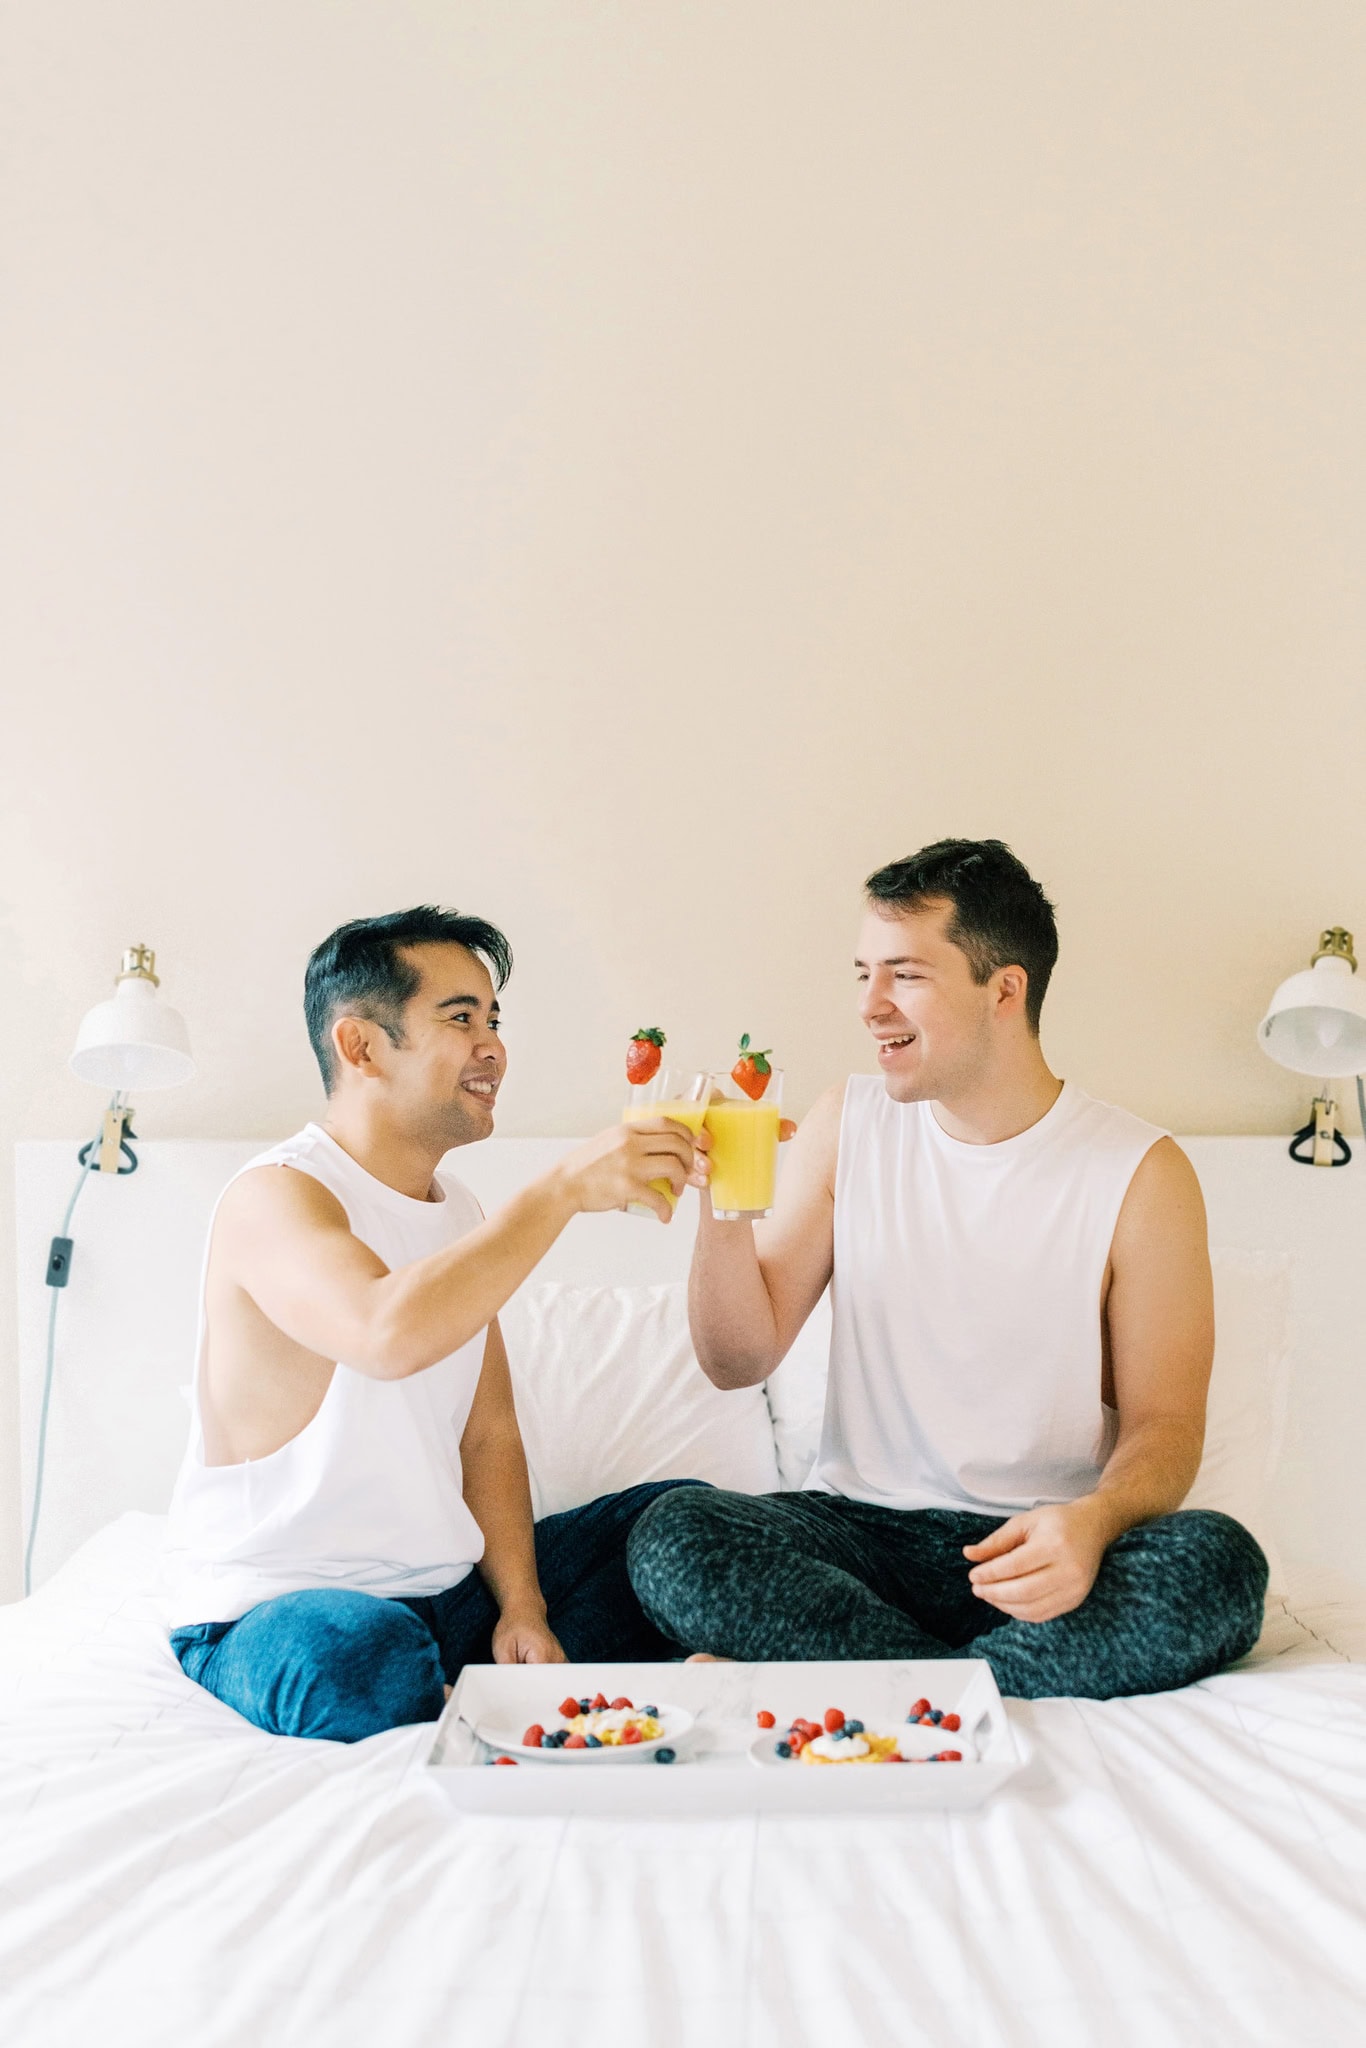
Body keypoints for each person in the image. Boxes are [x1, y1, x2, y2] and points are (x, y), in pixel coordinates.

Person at [628, 839, 1268, 1698]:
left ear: (1005, 989)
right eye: (863, 973)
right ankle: (966, 1694)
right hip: (859, 1542)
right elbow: (736, 1359)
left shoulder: (1141, 1172)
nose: (870, 1005)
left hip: (1036, 1554)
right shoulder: (845, 1123)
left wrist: (1091, 1523)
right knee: (674, 1532)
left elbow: (1165, 1426)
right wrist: (722, 1202)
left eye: (905, 975)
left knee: (1218, 1566)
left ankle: (862, 1684)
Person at [164, 906, 702, 1741]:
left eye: (494, 1019)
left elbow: (487, 1434)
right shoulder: (275, 1197)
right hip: (280, 1607)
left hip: (443, 1596)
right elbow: (383, 1333)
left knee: (682, 1521)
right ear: (362, 1047)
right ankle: (469, 1688)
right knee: (361, 1657)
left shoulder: (461, 1215)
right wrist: (560, 1189)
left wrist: (522, 1606)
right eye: (460, 1018)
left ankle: (485, 1679)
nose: (493, 1046)